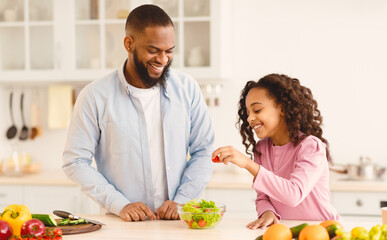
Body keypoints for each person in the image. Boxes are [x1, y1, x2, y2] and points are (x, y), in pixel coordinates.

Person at [62, 4, 214, 222]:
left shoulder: (187, 88)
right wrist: (120, 204)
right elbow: (75, 162)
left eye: (169, 51)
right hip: (121, 222)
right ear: (129, 43)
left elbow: (204, 150)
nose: (163, 60)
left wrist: (183, 199)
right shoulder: (94, 96)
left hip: (181, 221)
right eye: (153, 50)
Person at [212, 74, 340, 229]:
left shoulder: (310, 146)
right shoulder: (262, 148)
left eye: (257, 110)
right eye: (248, 113)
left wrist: (247, 163)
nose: (250, 118)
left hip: (323, 230)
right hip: (284, 230)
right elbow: (263, 196)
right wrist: (267, 212)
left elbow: (294, 194)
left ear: (282, 108)